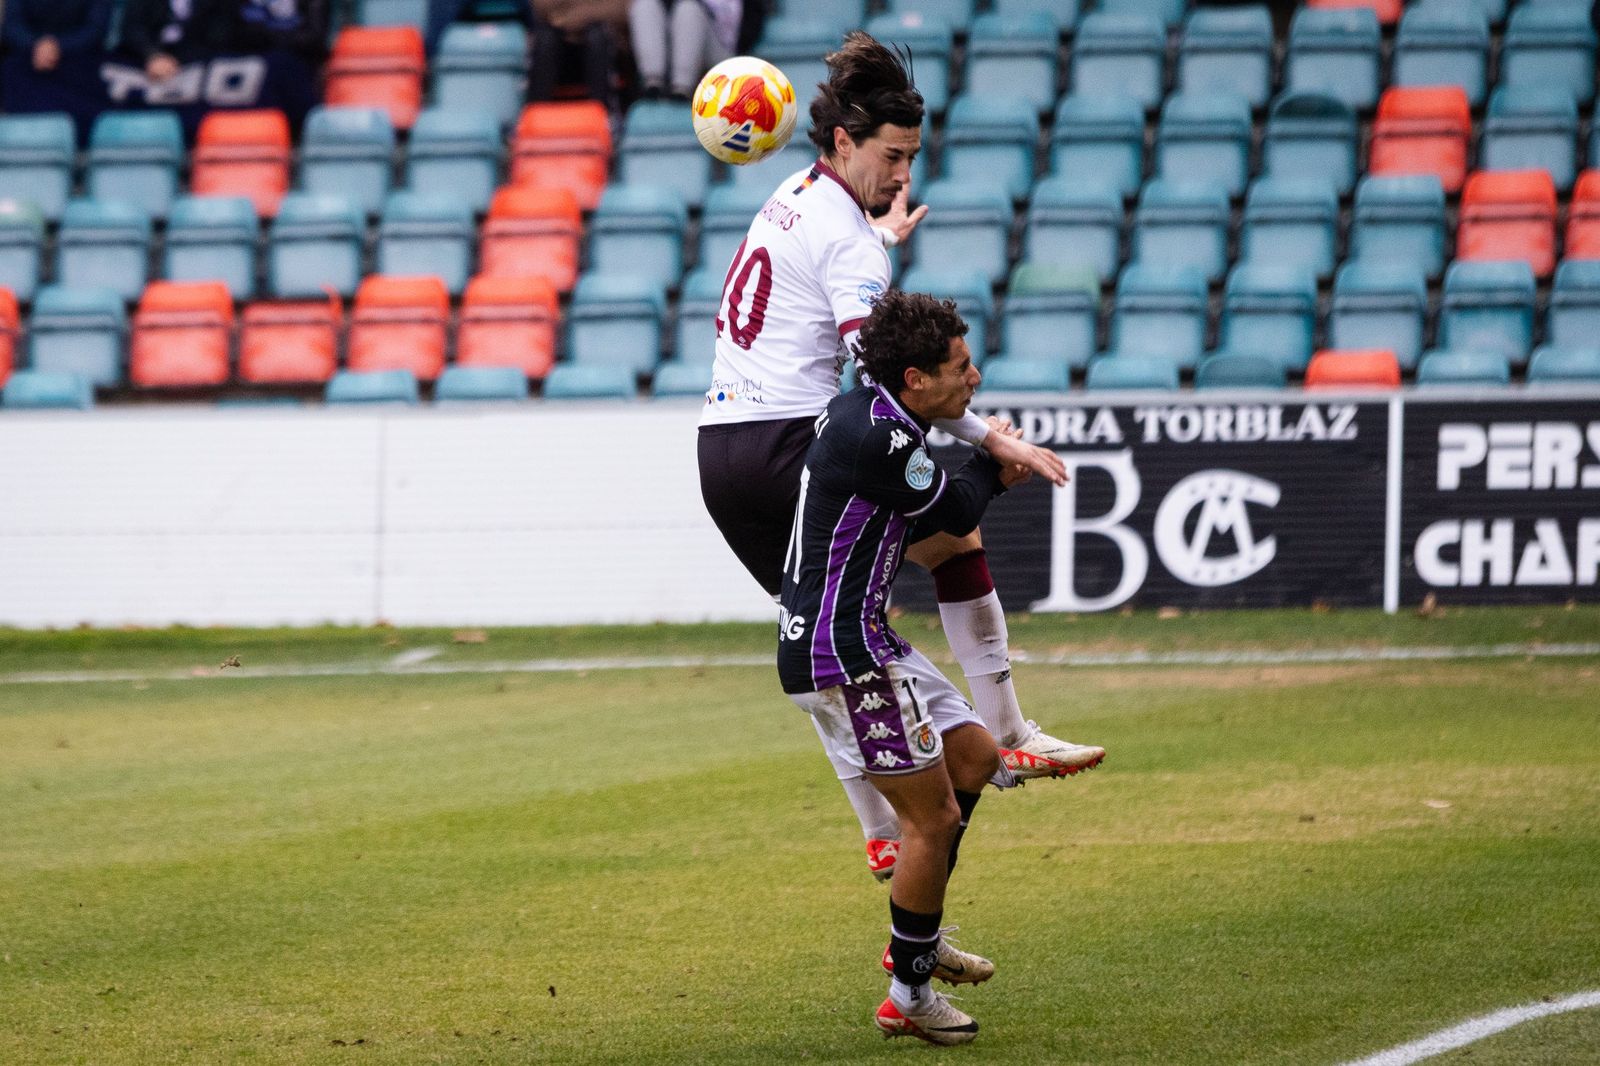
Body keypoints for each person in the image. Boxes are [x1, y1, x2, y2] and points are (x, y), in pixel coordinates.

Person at [696, 30, 1105, 882]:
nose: (902, 177)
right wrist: (996, 439)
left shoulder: (795, 193)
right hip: (788, 447)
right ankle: (1010, 734)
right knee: (955, 543)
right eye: (891, 156)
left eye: (912, 159)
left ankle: (881, 828)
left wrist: (876, 237)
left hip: (720, 454)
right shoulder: (849, 242)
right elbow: (896, 376)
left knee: (824, 636)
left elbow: (828, 266)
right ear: (844, 141)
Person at [781, 289, 1020, 1044]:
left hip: (868, 641)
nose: (973, 379)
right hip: (842, 656)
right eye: (960, 366)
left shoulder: (875, 413)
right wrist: (995, 459)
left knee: (977, 757)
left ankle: (916, 937)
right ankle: (909, 992)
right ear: (915, 379)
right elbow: (952, 511)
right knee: (933, 818)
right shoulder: (880, 436)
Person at [627, 0, 765, 101]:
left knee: (689, 9)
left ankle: (682, 88)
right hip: (669, 50)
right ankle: (652, 83)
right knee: (645, 4)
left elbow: (751, 27)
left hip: (720, 52)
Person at [1, 0, 114, 73]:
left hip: (78, 57)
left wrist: (57, 47)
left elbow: (96, 29)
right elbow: (11, 25)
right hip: (24, 53)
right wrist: (36, 45)